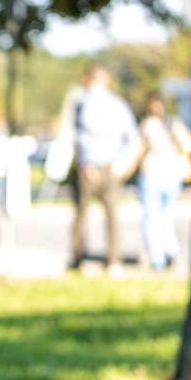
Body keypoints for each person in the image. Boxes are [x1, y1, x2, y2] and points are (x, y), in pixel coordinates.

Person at [67, 62, 140, 275]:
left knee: (83, 215)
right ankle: (113, 261)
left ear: (89, 79)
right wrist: (123, 164)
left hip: (94, 166)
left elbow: (78, 137)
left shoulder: (84, 102)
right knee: (111, 217)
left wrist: (85, 162)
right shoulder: (119, 104)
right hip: (109, 166)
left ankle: (78, 258)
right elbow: (133, 138)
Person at [134, 91, 191, 271]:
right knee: (166, 215)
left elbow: (137, 150)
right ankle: (171, 250)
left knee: (152, 216)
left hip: (152, 174)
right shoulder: (175, 124)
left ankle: (158, 258)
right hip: (172, 175)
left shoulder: (147, 125)